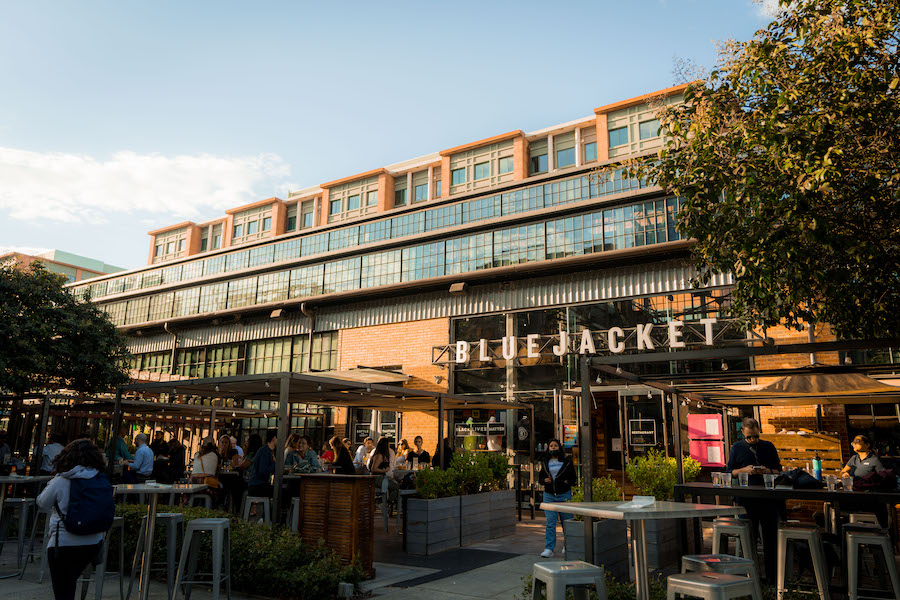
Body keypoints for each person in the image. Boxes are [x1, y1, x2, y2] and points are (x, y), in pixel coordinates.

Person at [36, 439, 108, 600]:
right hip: (94, 543)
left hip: (64, 543)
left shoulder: (62, 479)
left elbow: (42, 502)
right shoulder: (100, 479)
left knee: (63, 592)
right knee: (71, 582)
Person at [725, 417, 783, 582]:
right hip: (746, 498)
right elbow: (730, 471)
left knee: (771, 540)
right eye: (749, 437)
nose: (753, 440)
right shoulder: (737, 447)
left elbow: (779, 470)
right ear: (742, 432)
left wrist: (767, 471)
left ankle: (773, 578)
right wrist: (744, 470)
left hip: (768, 498)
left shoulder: (768, 446)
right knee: (748, 540)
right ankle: (751, 578)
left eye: (756, 436)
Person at [839, 434, 889, 527]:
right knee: (835, 504)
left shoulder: (874, 460)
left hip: (869, 496)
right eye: (853, 442)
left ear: (867, 445)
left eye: (857, 442)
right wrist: (844, 474)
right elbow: (843, 471)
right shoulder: (854, 458)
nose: (854, 444)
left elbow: (883, 476)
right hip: (856, 494)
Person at [538, 438, 577, 558]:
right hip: (549, 496)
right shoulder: (545, 463)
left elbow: (573, 479)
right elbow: (540, 479)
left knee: (567, 522)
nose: (553, 448)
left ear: (559, 448)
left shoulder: (567, 462)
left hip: (564, 495)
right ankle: (549, 548)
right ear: (548, 449)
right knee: (550, 523)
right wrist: (544, 481)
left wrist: (566, 482)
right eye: (551, 446)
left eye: (555, 446)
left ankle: (568, 545)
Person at [368, 437, 398, 505]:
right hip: (377, 478)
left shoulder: (381, 455)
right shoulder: (379, 456)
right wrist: (384, 470)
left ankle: (387, 502)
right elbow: (373, 469)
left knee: (395, 486)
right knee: (396, 487)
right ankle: (386, 502)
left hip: (380, 478)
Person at [248, 432, 277, 497]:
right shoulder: (265, 452)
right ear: (274, 438)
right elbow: (263, 472)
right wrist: (274, 464)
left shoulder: (267, 450)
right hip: (257, 486)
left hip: (257, 484)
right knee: (280, 492)